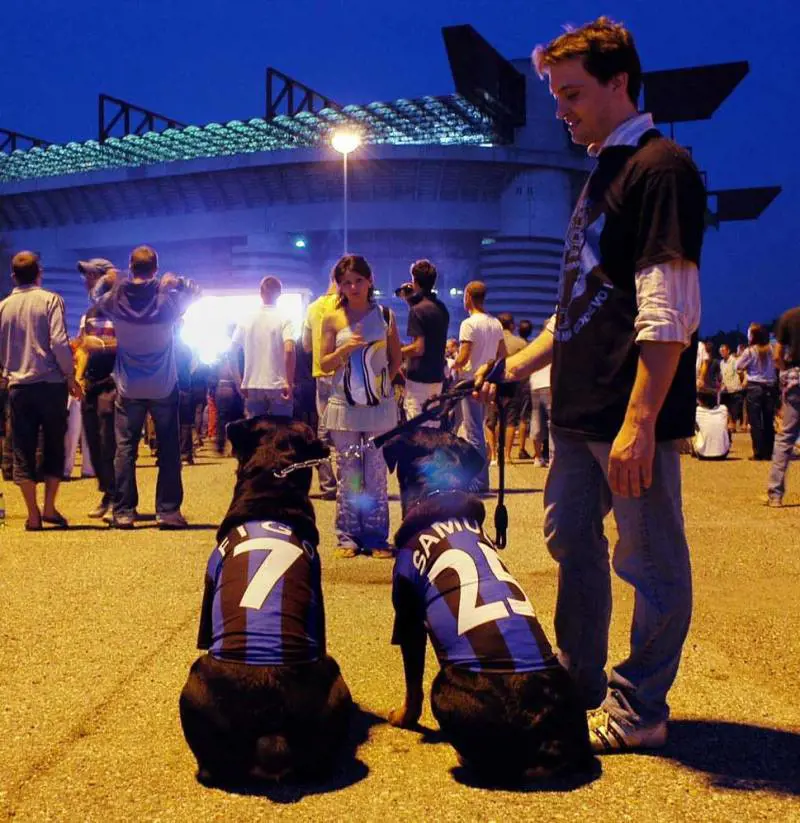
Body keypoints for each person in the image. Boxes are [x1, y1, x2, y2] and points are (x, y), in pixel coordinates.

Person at [475, 18, 706, 752]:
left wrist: (642, 420)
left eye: (572, 93)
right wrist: (514, 364)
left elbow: (669, 304)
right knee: (570, 542)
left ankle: (642, 706)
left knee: (649, 561)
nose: (561, 110)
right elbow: (573, 307)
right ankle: (579, 681)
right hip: (576, 417)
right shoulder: (602, 171)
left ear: (619, 82)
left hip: (624, 412)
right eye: (554, 95)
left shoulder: (660, 168)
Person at [92, 245, 199, 529]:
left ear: (130, 266)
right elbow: (197, 292)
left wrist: (108, 278)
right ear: (156, 268)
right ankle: (168, 511)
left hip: (128, 387)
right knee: (168, 448)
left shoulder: (116, 297)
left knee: (125, 449)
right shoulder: (168, 302)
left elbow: (94, 296)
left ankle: (124, 511)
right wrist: (175, 282)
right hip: (163, 385)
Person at [320, 254, 401, 558]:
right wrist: (344, 349)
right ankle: (347, 535)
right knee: (349, 473)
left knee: (376, 473)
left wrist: (380, 387)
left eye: (359, 280)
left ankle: (378, 536)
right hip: (343, 405)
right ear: (339, 286)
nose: (353, 287)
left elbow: (396, 360)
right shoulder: (332, 318)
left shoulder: (385, 316)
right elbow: (323, 363)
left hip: (378, 407)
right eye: (346, 282)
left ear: (370, 281)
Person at [0, 251, 82, 530]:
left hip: (18, 386)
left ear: (13, 276)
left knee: (21, 448)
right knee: (53, 446)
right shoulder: (51, 300)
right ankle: (49, 508)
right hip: (50, 384)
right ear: (39, 273)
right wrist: (70, 375)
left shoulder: (3, 307)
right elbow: (59, 342)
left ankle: (32, 514)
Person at [451, 282, 506, 492]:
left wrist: (452, 364)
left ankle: (480, 481)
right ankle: (464, 475)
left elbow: (464, 356)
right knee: (472, 429)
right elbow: (503, 355)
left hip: (469, 383)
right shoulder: (496, 323)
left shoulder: (469, 323)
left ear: (468, 297)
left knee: (474, 433)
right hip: (486, 382)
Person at [76, 258, 119, 518]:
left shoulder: (121, 310)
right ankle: (107, 492)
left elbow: (129, 344)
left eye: (92, 275)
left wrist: (101, 346)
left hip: (112, 383)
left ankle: (118, 496)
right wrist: (78, 377)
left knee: (109, 441)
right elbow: (83, 348)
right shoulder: (89, 315)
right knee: (94, 442)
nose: (87, 281)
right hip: (91, 384)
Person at [230, 276, 295, 419]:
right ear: (279, 294)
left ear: (260, 292)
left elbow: (231, 352)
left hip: (252, 385)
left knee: (255, 435)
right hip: (278, 385)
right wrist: (289, 383)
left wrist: (238, 381)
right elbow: (289, 349)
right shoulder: (284, 318)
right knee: (281, 433)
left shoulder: (246, 318)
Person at [400, 260, 449, 426]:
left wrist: (396, 352)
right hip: (437, 377)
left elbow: (418, 348)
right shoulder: (442, 308)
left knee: (415, 427)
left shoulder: (417, 310)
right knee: (432, 426)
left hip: (419, 378)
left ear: (415, 281)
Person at [302, 281, 339, 499]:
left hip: (321, 374)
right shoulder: (346, 305)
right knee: (349, 429)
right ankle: (347, 485)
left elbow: (306, 345)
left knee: (323, 432)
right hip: (344, 374)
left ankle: (328, 485)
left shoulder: (313, 308)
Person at [766, 305, 800, 506]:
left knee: (785, 438)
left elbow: (777, 354)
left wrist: (784, 370)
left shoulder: (789, 317)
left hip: (795, 379)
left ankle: (775, 494)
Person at [736, 323, 777, 461]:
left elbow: (738, 366)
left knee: (755, 421)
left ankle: (758, 452)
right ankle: (769, 451)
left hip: (754, 387)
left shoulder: (750, 351)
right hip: (770, 387)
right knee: (768, 420)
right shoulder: (772, 349)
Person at [497, 312, 528, 463]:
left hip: (496, 383)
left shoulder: (495, 340)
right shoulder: (520, 343)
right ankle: (507, 455)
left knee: (495, 420)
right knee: (511, 420)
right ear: (511, 325)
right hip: (515, 385)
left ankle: (494, 455)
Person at [693, 390, 730, 460]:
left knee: (694, 429)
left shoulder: (697, 410)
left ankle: (695, 451)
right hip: (722, 454)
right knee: (723, 427)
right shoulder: (723, 408)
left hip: (702, 454)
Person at [516, 319, 535, 459]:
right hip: (525, 384)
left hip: (510, 384)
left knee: (504, 418)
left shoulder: (513, 343)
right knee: (524, 418)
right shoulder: (529, 347)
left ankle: (501, 448)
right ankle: (521, 449)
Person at [718, 343, 744, 433]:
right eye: (721, 351)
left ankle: (733, 425)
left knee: (735, 410)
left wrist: (741, 383)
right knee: (726, 409)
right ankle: (730, 425)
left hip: (735, 389)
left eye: (723, 351)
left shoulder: (734, 361)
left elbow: (740, 373)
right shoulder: (721, 363)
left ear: (728, 351)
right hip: (726, 390)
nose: (722, 353)